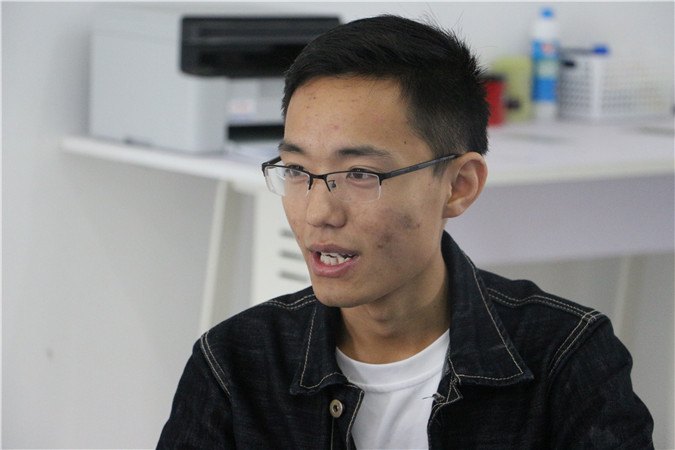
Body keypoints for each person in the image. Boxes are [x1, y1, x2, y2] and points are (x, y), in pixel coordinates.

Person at [158, 15, 653, 449]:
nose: (318, 213)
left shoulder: (566, 357)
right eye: (296, 170)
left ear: (458, 186)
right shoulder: (234, 365)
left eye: (360, 174)